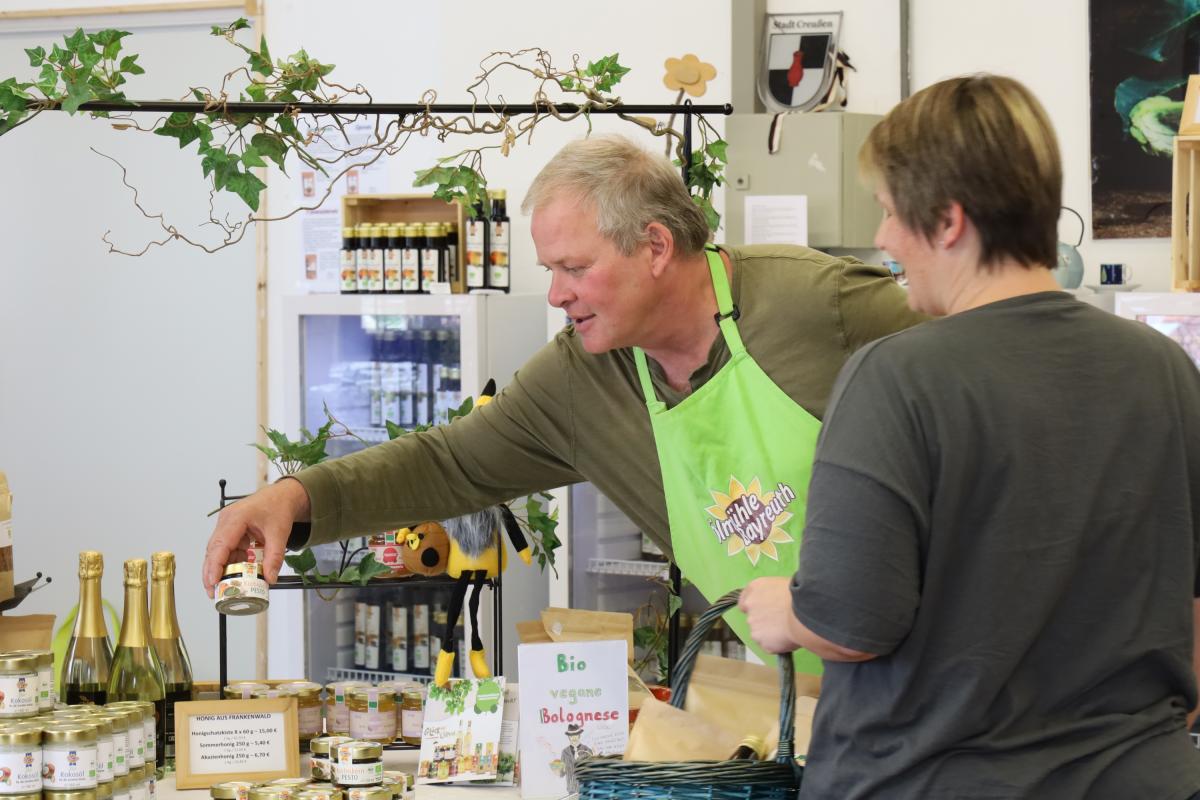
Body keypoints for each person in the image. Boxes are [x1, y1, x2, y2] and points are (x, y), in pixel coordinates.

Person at [203, 134, 924, 671]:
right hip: (806, 701)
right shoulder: (584, 379)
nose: (556, 295)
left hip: (942, 684)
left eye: (575, 268)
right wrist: (296, 499)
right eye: (551, 270)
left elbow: (978, 403)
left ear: (655, 245)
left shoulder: (823, 307)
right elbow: (450, 463)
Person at [739, 74, 1200, 798]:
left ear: (949, 221)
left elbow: (852, 622)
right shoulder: (1164, 369)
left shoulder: (896, 378)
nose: (881, 238)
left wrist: (786, 612)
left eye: (889, 212)